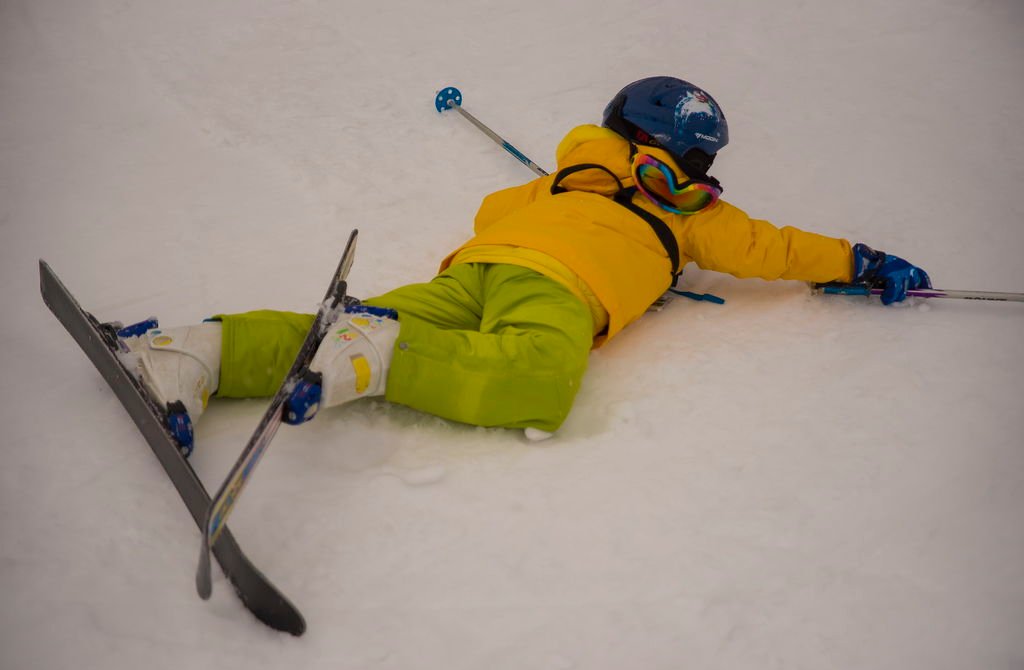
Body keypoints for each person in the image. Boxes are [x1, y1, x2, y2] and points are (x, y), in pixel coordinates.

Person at [118, 76, 931, 452]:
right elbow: (771, 248)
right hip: (558, 290)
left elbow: (490, 217)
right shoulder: (688, 214)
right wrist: (859, 260)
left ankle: (191, 351)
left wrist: (561, 196)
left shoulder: (561, 177)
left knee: (348, 322)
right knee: (538, 379)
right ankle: (380, 356)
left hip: (475, 269)